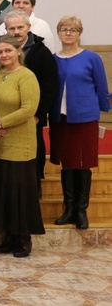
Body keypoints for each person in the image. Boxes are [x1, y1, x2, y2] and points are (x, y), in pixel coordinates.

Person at [0, 35, 44, 257]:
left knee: (20, 193)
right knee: (3, 192)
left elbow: (29, 109)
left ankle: (23, 238)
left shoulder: (27, 76)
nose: (4, 55)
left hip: (19, 144)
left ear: (19, 51)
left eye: (8, 50)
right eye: (0, 52)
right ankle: (8, 236)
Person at [49, 16, 111, 230]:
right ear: (58, 32)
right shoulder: (53, 58)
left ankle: (81, 210)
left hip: (85, 117)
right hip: (60, 118)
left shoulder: (91, 58)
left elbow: (101, 86)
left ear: (79, 33)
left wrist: (104, 108)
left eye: (73, 29)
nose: (68, 33)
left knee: (83, 162)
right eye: (65, 29)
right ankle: (69, 208)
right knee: (67, 163)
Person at [4, 10, 58, 196]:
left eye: (20, 27)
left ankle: (34, 190)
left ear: (29, 27)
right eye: (12, 28)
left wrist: (37, 115)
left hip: (32, 117)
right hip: (6, 117)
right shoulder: (1, 51)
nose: (16, 32)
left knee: (33, 156)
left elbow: (50, 86)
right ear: (6, 29)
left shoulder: (41, 52)